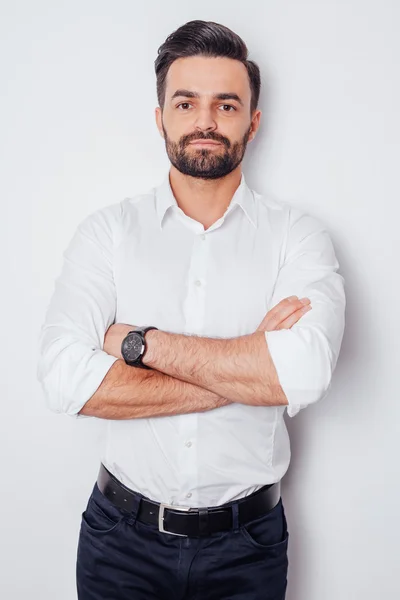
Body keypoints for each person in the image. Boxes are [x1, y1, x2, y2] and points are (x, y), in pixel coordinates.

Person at [37, 19, 346, 600]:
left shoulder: (296, 237)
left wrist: (139, 344)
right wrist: (249, 366)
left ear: (253, 122)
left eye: (226, 105)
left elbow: (305, 372)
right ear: (160, 118)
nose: (205, 121)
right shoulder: (108, 233)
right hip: (118, 543)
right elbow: (63, 380)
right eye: (186, 102)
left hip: (247, 545)